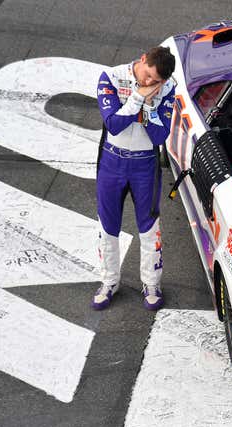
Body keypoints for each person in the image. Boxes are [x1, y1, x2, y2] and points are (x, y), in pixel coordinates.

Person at [92, 46, 176, 311]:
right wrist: (139, 98)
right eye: (148, 75)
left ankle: (152, 283)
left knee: (149, 226)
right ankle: (109, 281)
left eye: (156, 81)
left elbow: (160, 137)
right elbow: (113, 124)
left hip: (144, 165)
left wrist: (150, 105)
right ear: (142, 60)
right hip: (111, 161)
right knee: (107, 225)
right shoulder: (111, 77)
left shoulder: (168, 87)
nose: (150, 82)